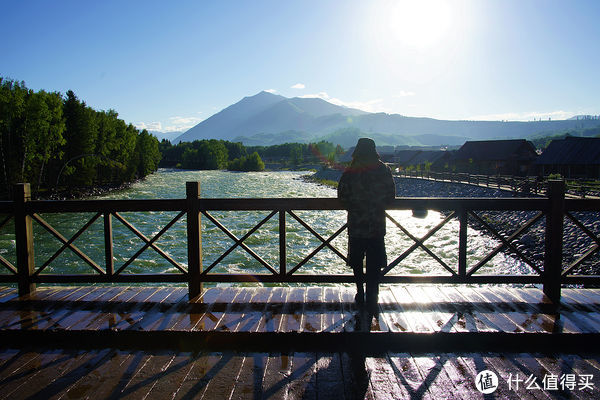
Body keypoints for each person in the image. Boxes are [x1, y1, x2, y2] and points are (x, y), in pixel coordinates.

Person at [338, 138, 395, 312]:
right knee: (374, 263)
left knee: (356, 262)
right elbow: (391, 197)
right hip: (377, 224)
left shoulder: (350, 171)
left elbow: (341, 196)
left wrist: (354, 207)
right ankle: (373, 296)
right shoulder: (384, 170)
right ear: (374, 150)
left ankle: (360, 292)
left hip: (356, 224)